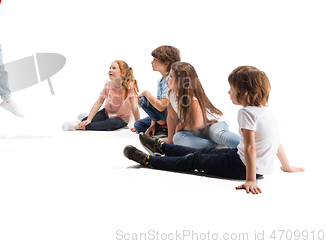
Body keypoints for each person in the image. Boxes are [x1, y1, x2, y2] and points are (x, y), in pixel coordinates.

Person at [123, 65, 304, 194]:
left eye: (231, 88)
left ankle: (149, 161)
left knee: (195, 160)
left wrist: (250, 180)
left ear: (244, 92)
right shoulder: (263, 111)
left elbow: (249, 147)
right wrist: (286, 166)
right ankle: (162, 147)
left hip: (242, 167)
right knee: (205, 151)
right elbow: (276, 142)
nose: (228, 92)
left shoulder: (246, 113)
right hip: (240, 159)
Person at [164, 62, 240, 148]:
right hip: (195, 130)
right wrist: (170, 139)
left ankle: (248, 146)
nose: (167, 78)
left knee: (217, 135)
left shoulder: (192, 99)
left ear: (180, 82)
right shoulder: (170, 93)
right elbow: (171, 117)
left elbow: (197, 124)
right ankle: (217, 147)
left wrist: (181, 126)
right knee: (177, 138)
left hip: (212, 124)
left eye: (171, 76)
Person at [62, 60, 140, 131]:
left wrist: (138, 124)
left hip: (121, 118)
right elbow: (98, 103)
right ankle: (85, 117)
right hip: (107, 113)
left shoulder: (129, 86)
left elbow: (134, 106)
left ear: (123, 73)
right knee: (86, 120)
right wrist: (89, 119)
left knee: (108, 124)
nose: (110, 70)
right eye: (110, 68)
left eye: (114, 68)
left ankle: (76, 126)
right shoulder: (108, 85)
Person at [131, 45, 181, 136]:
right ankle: (163, 128)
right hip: (164, 116)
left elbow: (161, 106)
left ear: (166, 63)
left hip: (174, 117)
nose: (151, 62)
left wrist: (146, 93)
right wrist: (153, 124)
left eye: (155, 60)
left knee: (143, 100)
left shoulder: (171, 81)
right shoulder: (160, 80)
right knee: (138, 125)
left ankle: (165, 126)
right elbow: (156, 103)